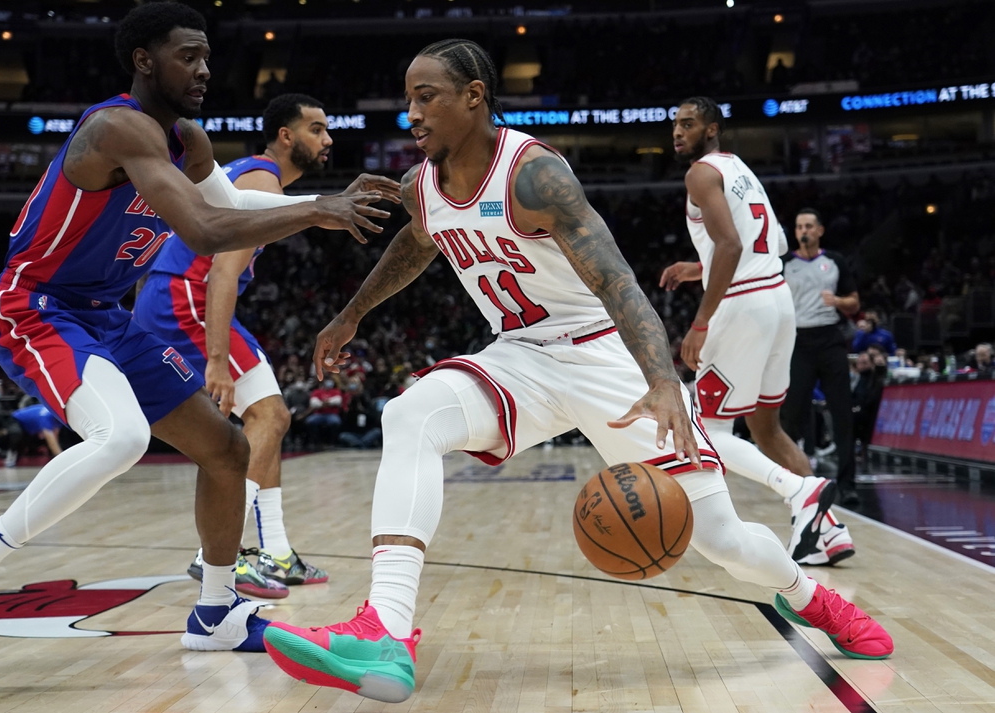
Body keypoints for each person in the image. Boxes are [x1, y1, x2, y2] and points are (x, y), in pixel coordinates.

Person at [262, 38, 892, 704]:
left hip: (603, 355)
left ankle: (810, 596)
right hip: (522, 355)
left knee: (722, 538)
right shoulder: (424, 182)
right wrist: (352, 313)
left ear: (473, 97)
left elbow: (618, 279)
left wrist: (658, 381)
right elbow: (418, 241)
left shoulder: (533, 174)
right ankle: (385, 631)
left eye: (426, 97)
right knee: (407, 415)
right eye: (407, 98)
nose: (411, 114)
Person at [0, 2, 396, 663]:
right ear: (143, 60)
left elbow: (230, 203)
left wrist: (320, 209)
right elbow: (205, 231)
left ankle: (216, 611)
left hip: (105, 313)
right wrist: (313, 209)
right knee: (124, 436)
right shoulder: (117, 129)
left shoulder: (185, 140)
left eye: (208, 56)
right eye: (187, 55)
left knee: (226, 449)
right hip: (38, 306)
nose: (204, 69)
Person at [134, 93, 339, 597]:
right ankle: (215, 556)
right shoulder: (260, 177)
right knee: (269, 416)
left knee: (272, 418)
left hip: (177, 295)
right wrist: (218, 360)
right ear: (286, 137)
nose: (328, 139)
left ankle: (277, 553)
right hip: (186, 296)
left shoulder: (253, 176)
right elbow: (223, 271)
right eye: (316, 129)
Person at [660, 97, 852, 567]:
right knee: (766, 429)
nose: (677, 132)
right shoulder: (739, 168)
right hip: (777, 301)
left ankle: (800, 490)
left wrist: (701, 322)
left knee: (704, 429)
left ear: (711, 129)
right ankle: (828, 531)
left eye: (688, 124)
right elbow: (776, 242)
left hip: (741, 307)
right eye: (675, 125)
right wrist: (700, 266)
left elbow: (730, 243)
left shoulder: (700, 173)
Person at [780, 209, 861, 506]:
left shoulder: (835, 261)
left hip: (829, 338)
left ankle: (848, 484)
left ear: (820, 230)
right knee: (790, 413)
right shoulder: (784, 263)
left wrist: (838, 301)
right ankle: (790, 483)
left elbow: (854, 303)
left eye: (809, 226)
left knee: (842, 414)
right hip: (798, 341)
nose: (804, 230)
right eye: (799, 225)